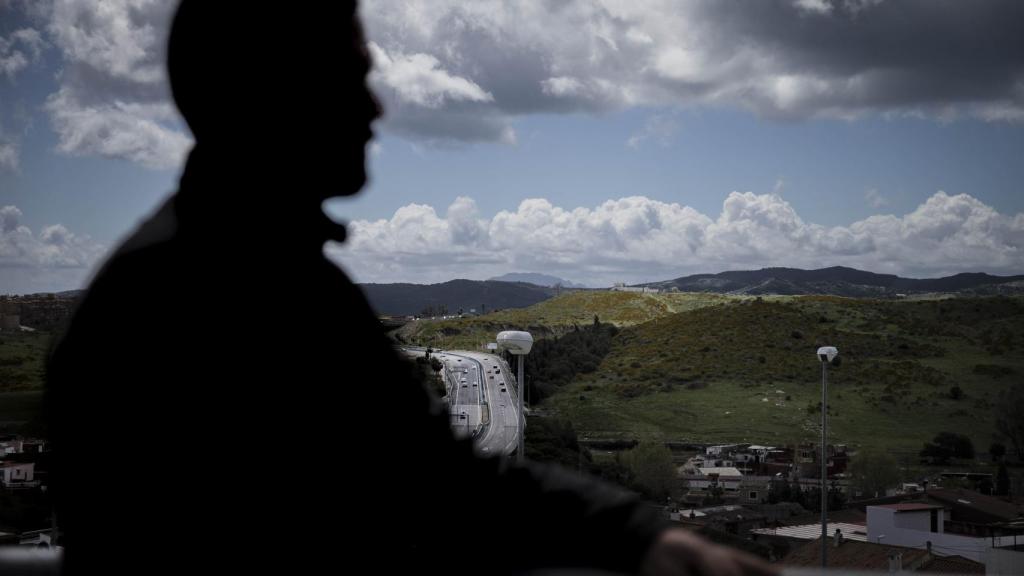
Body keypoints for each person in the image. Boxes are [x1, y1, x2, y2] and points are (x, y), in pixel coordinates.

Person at [45, 2, 776, 575]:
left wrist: (637, 533)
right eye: (351, 75)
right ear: (273, 90)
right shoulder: (233, 291)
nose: (377, 109)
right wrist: (639, 534)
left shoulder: (200, 272)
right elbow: (440, 488)